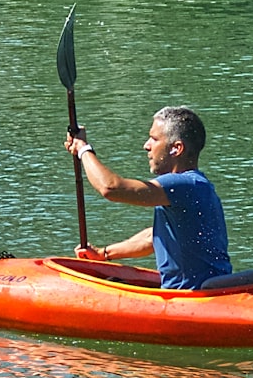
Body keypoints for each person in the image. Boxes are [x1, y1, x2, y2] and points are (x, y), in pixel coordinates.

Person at [64, 106, 232, 289]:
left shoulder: (183, 185)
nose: (146, 145)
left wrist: (83, 149)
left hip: (193, 299)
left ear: (176, 148)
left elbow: (110, 188)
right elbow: (153, 237)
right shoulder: (196, 186)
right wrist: (103, 254)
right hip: (211, 289)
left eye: (154, 138)